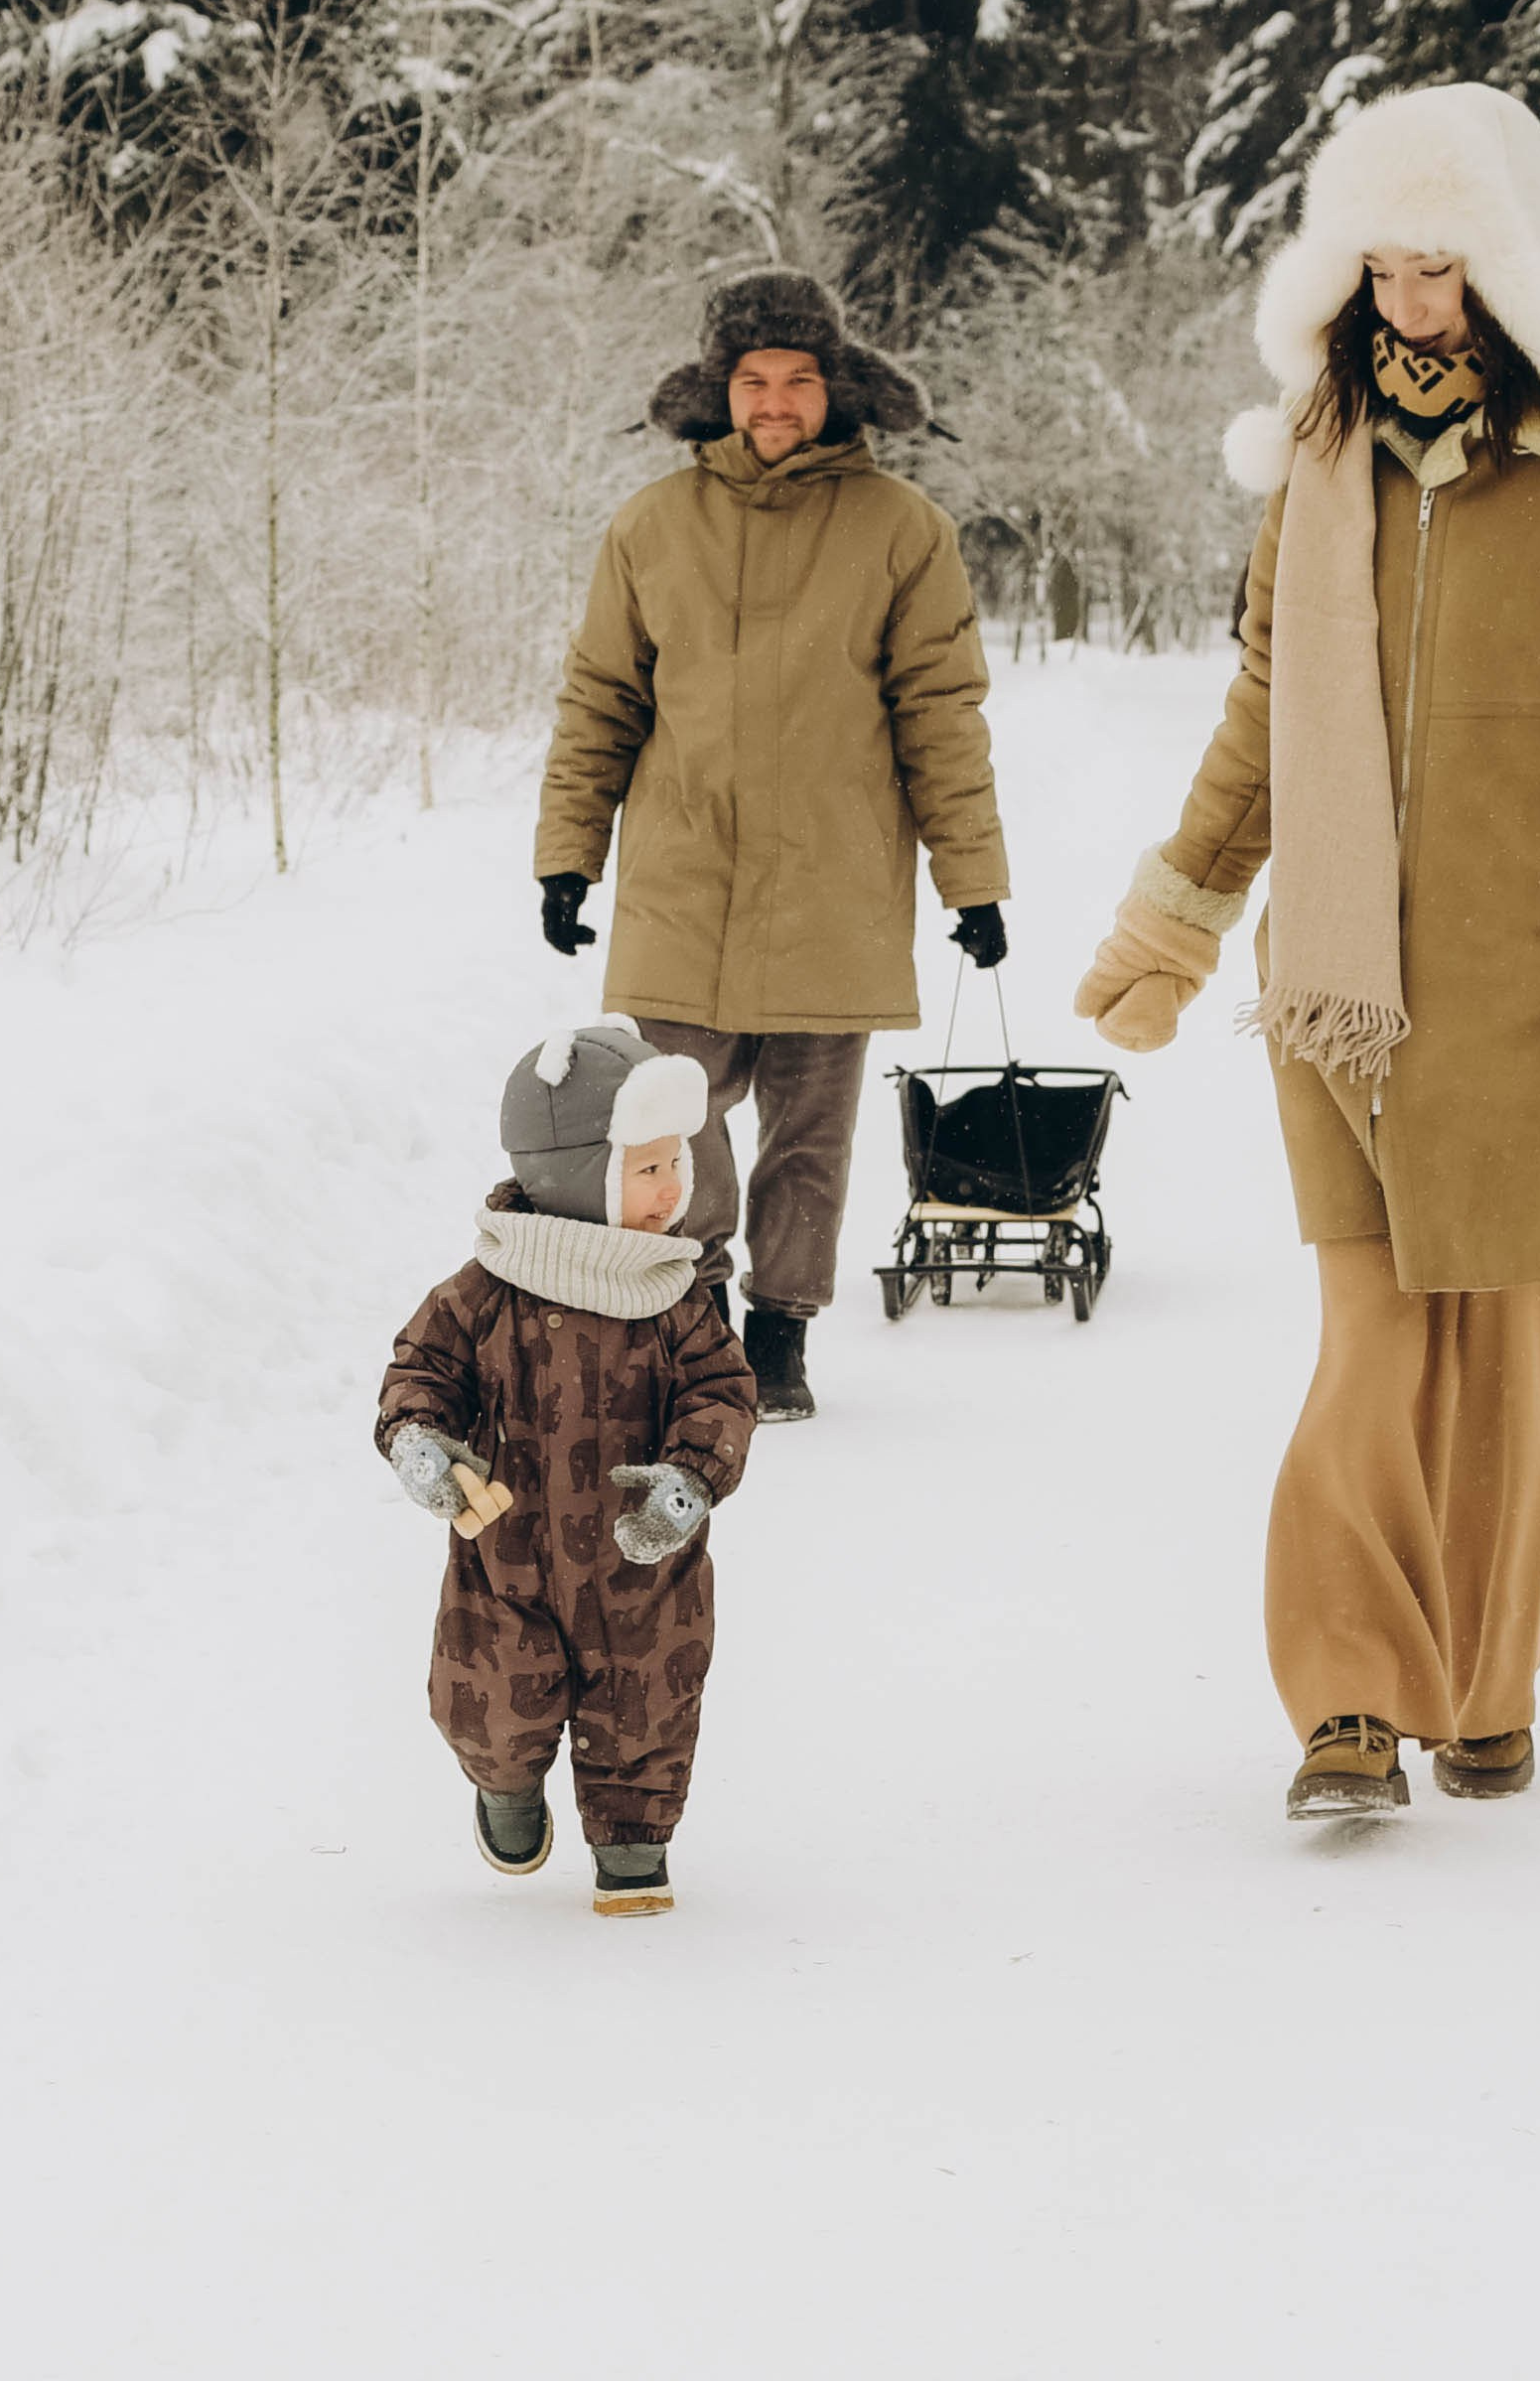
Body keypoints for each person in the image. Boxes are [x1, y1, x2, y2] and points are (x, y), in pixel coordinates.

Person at [1076, 82, 1540, 1821]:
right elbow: (1265, 706)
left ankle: (1482, 1684)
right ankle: (1345, 1697)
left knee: (1515, 1361)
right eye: (1381, 270)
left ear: (1510, 260)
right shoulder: (1319, 448)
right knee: (1371, 1342)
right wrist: (1174, 916)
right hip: (1342, 985)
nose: (1409, 305)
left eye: (1441, 267)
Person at [534, 268, 1011, 1425]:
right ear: (722, 391)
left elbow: (940, 713)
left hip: (833, 884)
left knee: (808, 1135)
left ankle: (780, 1334)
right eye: (754, 381)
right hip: (682, 876)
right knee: (669, 1117)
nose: (776, 403)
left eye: (798, 380)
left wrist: (973, 882)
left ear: (834, 388)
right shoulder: (652, 525)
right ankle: (693, 1320)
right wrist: (566, 856)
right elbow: (601, 700)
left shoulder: (902, 528)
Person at [376, 1018, 757, 1916]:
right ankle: (506, 1788)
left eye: (677, 1161)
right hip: (504, 1556)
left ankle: (632, 1844)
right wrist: (418, 1441)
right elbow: (420, 1371)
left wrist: (689, 1479)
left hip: (641, 1563)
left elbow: (720, 1393)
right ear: (576, 1172)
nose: (674, 1187)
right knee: (489, 1702)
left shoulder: (674, 1294)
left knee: (647, 1703)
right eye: (647, 1167)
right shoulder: (486, 1289)